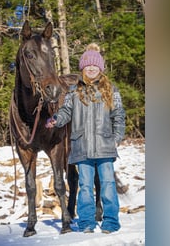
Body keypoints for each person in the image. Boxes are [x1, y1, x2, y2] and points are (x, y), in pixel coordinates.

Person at [45, 43, 125, 234]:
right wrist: (56, 119)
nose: (91, 68)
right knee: (85, 187)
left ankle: (111, 222)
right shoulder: (74, 91)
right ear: (82, 68)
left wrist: (117, 137)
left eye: (94, 65)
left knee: (107, 185)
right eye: (87, 65)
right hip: (81, 147)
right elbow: (66, 111)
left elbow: (119, 116)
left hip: (105, 145)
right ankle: (87, 222)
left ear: (100, 68)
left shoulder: (110, 90)